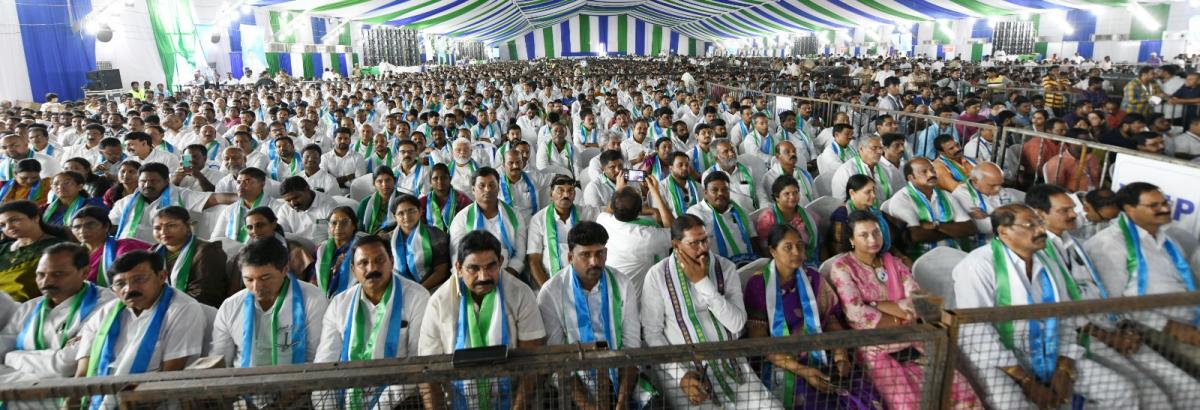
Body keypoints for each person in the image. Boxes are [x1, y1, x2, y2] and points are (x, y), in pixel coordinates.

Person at [1027, 184, 1200, 406]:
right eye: (1065, 210)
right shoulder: (1040, 253)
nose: (1074, 214)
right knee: (1147, 395)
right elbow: (1062, 309)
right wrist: (1112, 336)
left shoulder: (1072, 244)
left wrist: (1121, 327)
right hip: (1078, 337)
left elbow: (1098, 293)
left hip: (1113, 326)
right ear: (1040, 214)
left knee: (1182, 389)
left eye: (1073, 208)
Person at [954, 204, 1137, 409]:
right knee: (1013, 405)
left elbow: (1064, 317)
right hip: (993, 357)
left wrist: (1064, 367)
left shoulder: (1048, 263)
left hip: (1046, 347)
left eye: (1040, 223)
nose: (1041, 230)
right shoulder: (977, 266)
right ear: (1004, 232)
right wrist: (1027, 381)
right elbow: (978, 331)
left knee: (1122, 390)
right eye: (1029, 225)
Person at [829, 212, 982, 409]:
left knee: (960, 392)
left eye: (876, 232)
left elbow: (917, 300)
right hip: (874, 345)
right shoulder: (842, 267)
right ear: (851, 240)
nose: (872, 239)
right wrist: (900, 316)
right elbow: (856, 313)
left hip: (913, 336)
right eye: (864, 235)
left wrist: (877, 304)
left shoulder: (893, 262)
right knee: (907, 403)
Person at [642, 214, 779, 408]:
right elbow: (652, 333)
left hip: (730, 363)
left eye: (705, 240)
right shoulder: (657, 276)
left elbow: (737, 323)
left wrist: (702, 283)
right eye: (694, 243)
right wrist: (681, 375)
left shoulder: (725, 268)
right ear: (676, 245)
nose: (703, 248)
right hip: (684, 369)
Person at [744, 223, 884, 409]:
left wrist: (840, 356)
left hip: (822, 355)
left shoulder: (814, 278)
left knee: (862, 397)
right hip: (785, 363)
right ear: (772, 251)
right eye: (788, 247)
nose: (796, 251)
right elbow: (760, 343)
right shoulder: (759, 285)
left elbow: (832, 320)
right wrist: (803, 371)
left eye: (800, 245)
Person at [418, 231, 546, 409]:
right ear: (459, 268)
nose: (483, 276)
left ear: (501, 262)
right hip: (456, 401)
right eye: (474, 268)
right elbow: (428, 369)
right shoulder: (439, 302)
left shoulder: (520, 293)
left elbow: (532, 362)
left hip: (511, 399)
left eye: (491, 266)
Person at [73, 250, 208, 409]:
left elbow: (168, 377)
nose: (129, 288)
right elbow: (83, 373)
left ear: (161, 277)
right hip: (98, 402)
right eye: (120, 284)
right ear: (112, 288)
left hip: (154, 403)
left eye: (139, 279)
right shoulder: (104, 314)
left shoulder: (182, 309)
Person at [537, 221, 648, 408]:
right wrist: (589, 407)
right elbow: (556, 359)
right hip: (573, 383)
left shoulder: (622, 284)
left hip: (618, 375)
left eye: (599, 253)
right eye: (585, 255)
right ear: (570, 257)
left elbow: (631, 346)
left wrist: (621, 402)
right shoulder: (551, 292)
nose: (594, 262)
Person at [1085, 183, 1200, 347]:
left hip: (1191, 317)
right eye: (1154, 205)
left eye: (1165, 203)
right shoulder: (1108, 244)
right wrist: (1173, 328)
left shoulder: (1169, 241)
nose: (1165, 209)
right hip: (1154, 330)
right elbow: (1116, 302)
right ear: (1130, 209)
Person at [210, 238, 327, 376]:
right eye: (249, 279)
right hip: (244, 388)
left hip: (298, 385)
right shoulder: (230, 306)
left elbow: (317, 355)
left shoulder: (311, 299)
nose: (256, 287)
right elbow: (221, 358)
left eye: (265, 278)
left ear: (285, 270)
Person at [0, 243, 115, 383]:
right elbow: (3, 347)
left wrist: (12, 357)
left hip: (70, 393)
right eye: (41, 275)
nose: (46, 281)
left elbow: (66, 364)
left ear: (84, 272)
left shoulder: (106, 304)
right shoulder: (29, 307)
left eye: (58, 274)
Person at [109, 163, 233, 244]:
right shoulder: (125, 202)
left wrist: (248, 198)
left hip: (164, 252)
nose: (147, 185)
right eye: (143, 181)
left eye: (153, 181)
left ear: (167, 181)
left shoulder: (179, 195)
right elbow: (111, 227)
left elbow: (215, 199)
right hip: (125, 250)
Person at [885, 158, 975, 259]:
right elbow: (915, 235)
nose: (931, 174)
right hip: (920, 260)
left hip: (952, 255)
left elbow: (969, 228)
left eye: (932, 170)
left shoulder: (946, 195)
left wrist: (936, 225)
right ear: (911, 178)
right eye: (924, 172)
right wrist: (953, 231)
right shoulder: (902, 199)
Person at [448, 167, 526, 276]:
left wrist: (509, 274)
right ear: (473, 189)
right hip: (473, 276)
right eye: (482, 186)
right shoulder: (461, 218)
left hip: (507, 273)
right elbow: (456, 255)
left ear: (498, 188)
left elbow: (520, 252)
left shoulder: (515, 215)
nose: (487, 189)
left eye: (492, 185)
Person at [526, 175, 600, 289]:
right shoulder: (538, 219)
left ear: (574, 195)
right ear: (551, 195)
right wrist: (548, 291)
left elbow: (608, 211)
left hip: (581, 282)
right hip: (549, 281)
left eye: (570, 191)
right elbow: (534, 261)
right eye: (560, 190)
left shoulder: (584, 212)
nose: (566, 195)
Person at [148, 206, 229, 308]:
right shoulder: (152, 252)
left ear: (188, 226)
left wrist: (168, 307)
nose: (163, 231)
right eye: (157, 228)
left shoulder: (207, 251)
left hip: (196, 310)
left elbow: (204, 293)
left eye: (171, 225)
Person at [0, 201, 70, 302]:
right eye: (3, 225)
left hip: (32, 309)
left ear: (35, 218)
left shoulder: (57, 247)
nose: (9, 227)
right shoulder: (3, 249)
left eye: (14, 220)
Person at [687, 171, 760, 266]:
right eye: (715, 190)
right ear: (705, 192)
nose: (720, 193)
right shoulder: (695, 214)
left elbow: (753, 238)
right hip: (716, 269)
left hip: (747, 264)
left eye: (725, 189)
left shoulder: (740, 211)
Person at [69, 206, 151, 287]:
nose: (83, 230)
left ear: (106, 226)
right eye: (77, 227)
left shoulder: (125, 247)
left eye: (90, 225)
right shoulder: (71, 254)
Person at [383, 194, 450, 291]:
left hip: (431, 288)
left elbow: (441, 271)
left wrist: (418, 291)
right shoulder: (386, 240)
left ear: (420, 211)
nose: (406, 216)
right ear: (394, 217)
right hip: (397, 288)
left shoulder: (436, 235)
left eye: (411, 211)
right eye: (401, 213)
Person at [214, 167, 276, 243]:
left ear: (262, 184)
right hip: (232, 252)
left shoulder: (275, 207)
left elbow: (278, 236)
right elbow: (216, 237)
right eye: (238, 182)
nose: (241, 186)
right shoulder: (230, 209)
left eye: (247, 181)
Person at [312, 206, 362, 298]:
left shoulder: (361, 249)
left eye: (344, 222)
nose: (338, 227)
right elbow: (313, 280)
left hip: (354, 297)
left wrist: (342, 268)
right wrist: (333, 271)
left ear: (354, 226)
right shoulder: (321, 249)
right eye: (334, 223)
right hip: (323, 298)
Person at [831, 135, 899, 203]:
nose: (879, 152)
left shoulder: (886, 167)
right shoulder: (846, 171)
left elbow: (897, 192)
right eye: (874, 148)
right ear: (861, 149)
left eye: (881, 148)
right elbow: (840, 202)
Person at [419, 163, 472, 232]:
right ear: (430, 181)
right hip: (430, 240)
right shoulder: (423, 202)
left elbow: (470, 222)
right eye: (435, 178)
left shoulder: (462, 200)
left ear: (450, 179)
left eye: (443, 177)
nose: (439, 181)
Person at [654, 152, 702, 218]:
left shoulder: (697, 187)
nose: (685, 168)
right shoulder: (660, 188)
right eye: (680, 165)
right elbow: (659, 215)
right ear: (671, 168)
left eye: (687, 165)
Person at [358, 167, 397, 235]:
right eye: (380, 181)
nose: (384, 185)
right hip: (369, 239)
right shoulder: (365, 203)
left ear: (394, 181)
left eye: (388, 180)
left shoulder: (403, 200)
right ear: (374, 184)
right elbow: (359, 229)